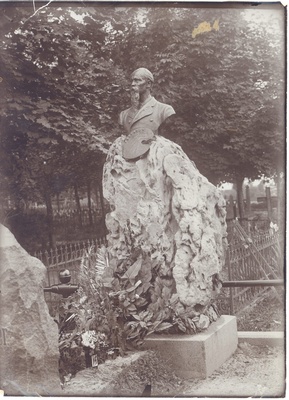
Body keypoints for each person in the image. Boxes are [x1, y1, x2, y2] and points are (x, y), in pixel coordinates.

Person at [119, 67, 175, 160]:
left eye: (137, 81)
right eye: (132, 81)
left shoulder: (164, 110)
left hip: (152, 160)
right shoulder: (123, 115)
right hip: (129, 160)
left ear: (148, 84)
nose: (133, 84)